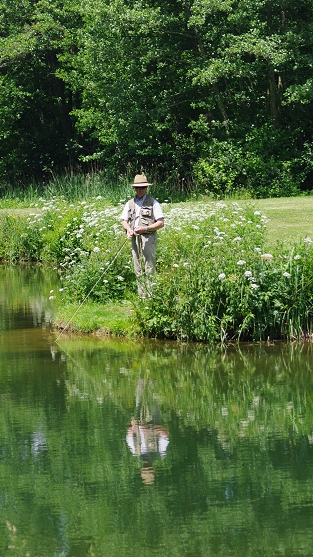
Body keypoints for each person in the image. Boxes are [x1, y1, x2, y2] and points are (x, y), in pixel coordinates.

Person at [121, 174, 164, 297]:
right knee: (138, 267)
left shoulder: (153, 202)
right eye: (138, 188)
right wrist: (128, 229)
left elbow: (161, 223)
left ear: (146, 188)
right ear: (134, 188)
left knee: (149, 266)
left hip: (148, 238)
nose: (140, 190)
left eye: (143, 187)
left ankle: (150, 297)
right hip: (135, 238)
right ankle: (141, 296)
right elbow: (124, 220)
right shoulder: (129, 203)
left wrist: (145, 228)